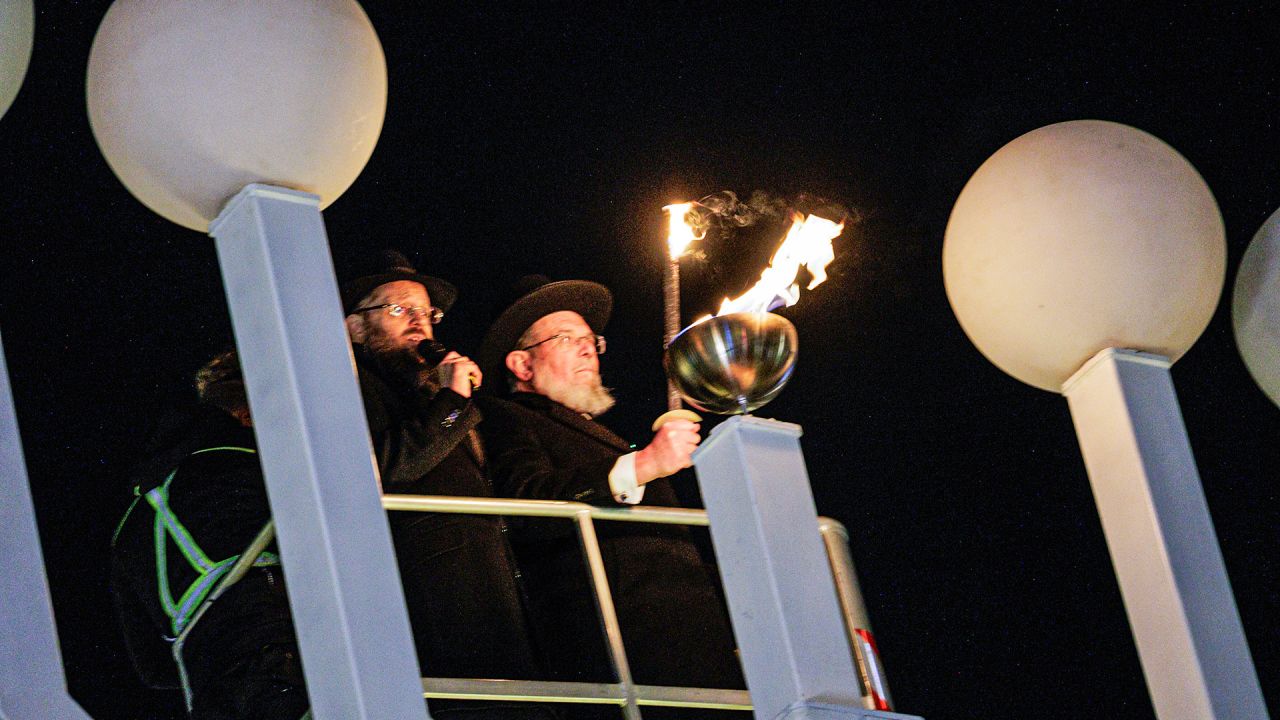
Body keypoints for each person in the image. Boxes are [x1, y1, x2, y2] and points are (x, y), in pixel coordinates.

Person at [475, 276, 745, 717]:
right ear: (522, 366)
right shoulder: (507, 417)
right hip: (625, 646)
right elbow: (527, 502)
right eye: (566, 338)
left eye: (590, 340)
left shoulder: (603, 436)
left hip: (691, 641)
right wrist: (644, 466)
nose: (587, 349)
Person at [340, 250, 552, 720]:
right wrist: (454, 400)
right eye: (400, 310)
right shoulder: (354, 387)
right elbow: (389, 466)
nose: (420, 322)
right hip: (434, 596)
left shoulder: (428, 394)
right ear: (356, 327)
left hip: (492, 591)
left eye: (427, 313)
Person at [110, 349, 311, 720]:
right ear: (248, 415)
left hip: (209, 689)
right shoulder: (242, 458)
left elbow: (152, 668)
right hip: (279, 641)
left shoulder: (128, 528)